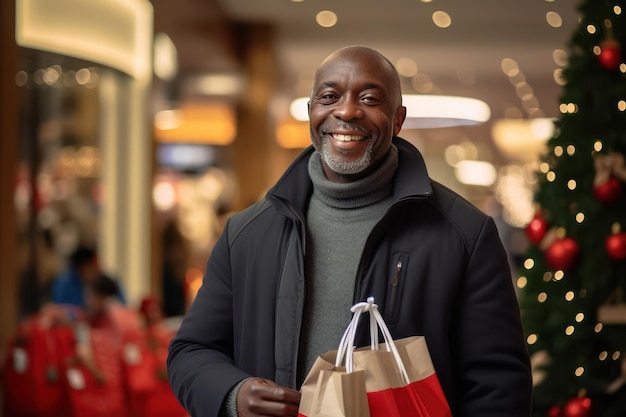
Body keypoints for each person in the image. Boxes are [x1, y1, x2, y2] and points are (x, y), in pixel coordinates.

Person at [167, 45, 532, 417]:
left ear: (398, 118)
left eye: (370, 98)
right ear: (311, 113)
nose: (346, 111)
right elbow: (191, 351)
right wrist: (234, 394)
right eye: (329, 97)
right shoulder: (246, 234)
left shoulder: (464, 235)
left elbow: (498, 386)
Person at [51, 244, 125, 308]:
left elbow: (122, 307)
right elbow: (60, 309)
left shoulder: (109, 283)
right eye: (89, 269)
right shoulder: (64, 285)